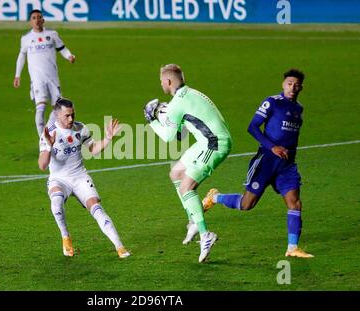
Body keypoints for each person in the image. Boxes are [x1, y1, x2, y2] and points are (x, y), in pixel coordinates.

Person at [202, 69, 314, 258]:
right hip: (266, 161)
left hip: (286, 165)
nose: (292, 87)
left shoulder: (299, 109)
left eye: (296, 84)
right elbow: (252, 127)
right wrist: (272, 147)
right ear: (283, 84)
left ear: (301, 87)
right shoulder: (271, 102)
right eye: (289, 83)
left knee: (295, 203)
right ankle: (215, 197)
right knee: (247, 204)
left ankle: (292, 248)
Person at [144, 64, 232, 263]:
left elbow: (168, 137)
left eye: (161, 82)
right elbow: (182, 130)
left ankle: (205, 235)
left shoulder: (177, 103)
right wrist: (165, 115)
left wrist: (152, 120)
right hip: (205, 141)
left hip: (215, 144)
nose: (161, 85)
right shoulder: (191, 94)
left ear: (168, 81)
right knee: (176, 173)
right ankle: (193, 220)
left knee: (186, 187)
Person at [38, 98, 130, 258]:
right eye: (67, 116)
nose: (71, 119)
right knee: (56, 201)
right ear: (57, 115)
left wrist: (108, 138)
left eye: (73, 114)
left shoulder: (80, 128)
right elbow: (42, 165)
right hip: (59, 179)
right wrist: (48, 146)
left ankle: (120, 247)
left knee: (97, 208)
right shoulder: (48, 132)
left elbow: (93, 149)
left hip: (80, 177)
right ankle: (65, 237)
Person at [14, 9, 75, 137]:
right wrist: (17, 75)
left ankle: (48, 132)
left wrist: (69, 56)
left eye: (39, 17)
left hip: (53, 78)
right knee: (40, 109)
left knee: (58, 109)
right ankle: (43, 140)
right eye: (34, 18)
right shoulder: (26, 39)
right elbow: (21, 56)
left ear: (43, 20)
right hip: (37, 80)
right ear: (30, 22)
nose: (37, 19)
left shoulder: (52, 34)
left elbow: (62, 48)